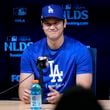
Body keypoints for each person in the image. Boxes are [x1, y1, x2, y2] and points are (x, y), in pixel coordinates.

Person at [18, 4, 93, 104]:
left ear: (64, 23)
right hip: (38, 105)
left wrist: (63, 98)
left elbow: (83, 92)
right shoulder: (30, 52)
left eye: (56, 23)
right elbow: (23, 90)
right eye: (48, 24)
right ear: (42, 25)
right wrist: (26, 95)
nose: (52, 27)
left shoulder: (80, 51)